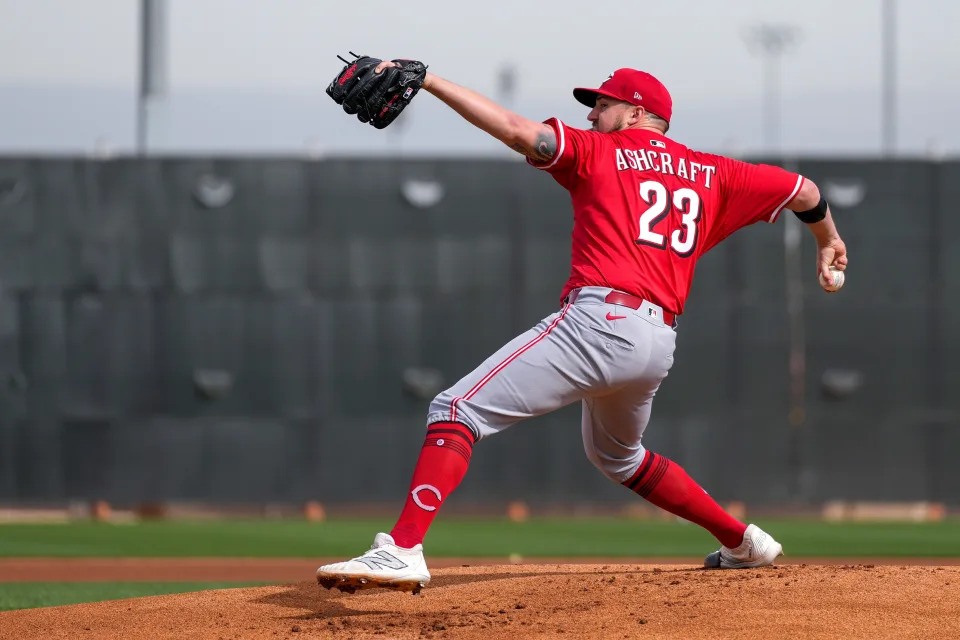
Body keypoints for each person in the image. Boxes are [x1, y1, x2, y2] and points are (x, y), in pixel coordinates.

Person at [317, 62, 848, 594]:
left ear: (636, 113)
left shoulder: (601, 151)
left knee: (455, 409)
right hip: (656, 342)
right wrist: (828, 240)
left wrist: (431, 81)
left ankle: (403, 548)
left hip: (601, 322)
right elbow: (805, 192)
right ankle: (744, 541)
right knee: (619, 457)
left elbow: (517, 131)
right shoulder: (717, 172)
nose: (592, 115)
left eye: (603, 104)